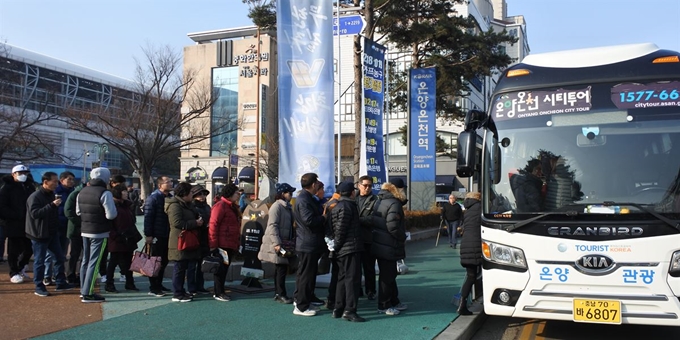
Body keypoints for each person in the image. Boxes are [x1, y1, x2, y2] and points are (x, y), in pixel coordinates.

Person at [26, 171, 74, 296]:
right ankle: (39, 285)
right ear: (45, 182)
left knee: (59, 257)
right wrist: (52, 205)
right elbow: (35, 214)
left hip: (52, 232)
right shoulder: (35, 196)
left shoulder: (51, 194)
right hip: (39, 234)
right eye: (54, 181)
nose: (56, 183)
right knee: (39, 261)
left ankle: (60, 281)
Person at [77, 167, 117, 303]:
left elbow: (78, 212)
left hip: (84, 230)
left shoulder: (81, 191)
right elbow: (111, 215)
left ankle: (83, 290)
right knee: (94, 262)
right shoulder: (105, 193)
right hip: (99, 232)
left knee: (85, 261)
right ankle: (88, 293)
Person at [291, 173, 327, 317]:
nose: (318, 184)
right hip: (307, 243)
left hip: (310, 243)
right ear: (313, 184)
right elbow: (309, 221)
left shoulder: (307, 198)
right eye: (317, 182)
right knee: (305, 275)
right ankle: (301, 306)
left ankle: (306, 299)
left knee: (308, 274)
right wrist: (323, 217)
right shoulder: (303, 199)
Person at [330, 181, 365, 322]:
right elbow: (340, 229)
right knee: (352, 280)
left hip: (343, 248)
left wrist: (335, 247)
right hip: (350, 248)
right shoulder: (347, 206)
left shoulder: (337, 206)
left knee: (342, 278)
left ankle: (338, 308)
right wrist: (336, 246)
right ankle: (349, 310)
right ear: (351, 193)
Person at [372, 182, 408, 316]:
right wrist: (402, 236)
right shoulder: (394, 203)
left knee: (388, 275)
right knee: (387, 276)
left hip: (379, 243)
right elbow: (392, 226)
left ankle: (393, 301)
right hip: (389, 244)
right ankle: (384, 304)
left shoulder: (379, 201)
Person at [258, 182, 296, 304]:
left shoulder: (287, 207)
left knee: (281, 268)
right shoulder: (277, 206)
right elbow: (272, 225)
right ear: (283, 194)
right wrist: (276, 243)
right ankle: (280, 293)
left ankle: (279, 293)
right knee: (281, 268)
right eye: (289, 192)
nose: (291, 195)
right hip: (279, 242)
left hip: (284, 241)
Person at [165, 182, 203, 302]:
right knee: (179, 267)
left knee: (184, 267)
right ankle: (177, 293)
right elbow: (176, 222)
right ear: (184, 193)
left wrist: (198, 219)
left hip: (188, 240)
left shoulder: (187, 204)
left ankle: (181, 291)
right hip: (179, 240)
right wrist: (194, 223)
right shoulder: (174, 205)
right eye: (191, 192)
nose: (193, 195)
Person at [0, 164, 36, 284]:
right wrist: (15, 215)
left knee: (29, 249)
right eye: (20, 173)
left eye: (25, 173)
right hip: (12, 223)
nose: (23, 176)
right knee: (13, 250)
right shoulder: (6, 188)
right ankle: (13, 272)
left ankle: (21, 267)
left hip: (28, 223)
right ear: (13, 174)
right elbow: (2, 206)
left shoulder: (29, 187)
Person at [209, 183, 241, 302]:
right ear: (230, 194)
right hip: (222, 243)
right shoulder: (220, 206)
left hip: (229, 241)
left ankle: (220, 290)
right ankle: (218, 292)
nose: (238, 195)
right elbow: (213, 225)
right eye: (236, 193)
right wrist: (214, 244)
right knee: (220, 269)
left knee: (224, 268)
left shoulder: (231, 206)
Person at [105, 184, 140, 293]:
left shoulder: (126, 205)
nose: (126, 193)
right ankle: (109, 284)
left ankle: (130, 283)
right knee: (113, 262)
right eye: (124, 191)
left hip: (128, 237)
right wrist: (115, 235)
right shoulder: (113, 205)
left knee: (128, 261)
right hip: (117, 238)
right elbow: (109, 223)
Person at [43, 171, 75, 286]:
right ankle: (47, 275)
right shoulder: (56, 192)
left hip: (66, 226)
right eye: (69, 179)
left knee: (62, 252)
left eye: (72, 179)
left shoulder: (73, 191)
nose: (71, 181)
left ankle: (58, 275)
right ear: (62, 180)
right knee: (50, 253)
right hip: (56, 226)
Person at [144, 176, 174, 297]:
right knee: (155, 261)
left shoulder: (170, 198)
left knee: (164, 261)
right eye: (168, 182)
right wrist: (149, 234)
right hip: (157, 234)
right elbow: (148, 217)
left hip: (167, 234)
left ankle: (159, 284)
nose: (171, 183)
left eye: (171, 181)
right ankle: (153, 287)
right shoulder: (154, 198)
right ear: (160, 185)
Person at [457, 192, 482, 315]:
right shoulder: (480, 208)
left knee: (471, 275)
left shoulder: (468, 210)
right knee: (473, 276)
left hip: (466, 245)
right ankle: (463, 306)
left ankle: (462, 304)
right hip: (476, 245)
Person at [356, 175, 378, 300]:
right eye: (365, 185)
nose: (368, 188)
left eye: (370, 185)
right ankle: (357, 289)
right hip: (355, 239)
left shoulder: (375, 200)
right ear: (359, 185)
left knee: (369, 267)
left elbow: (373, 218)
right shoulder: (353, 198)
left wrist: (357, 220)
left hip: (369, 238)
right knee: (356, 268)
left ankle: (371, 290)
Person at [188, 184, 211, 295]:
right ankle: (192, 288)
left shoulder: (207, 207)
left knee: (202, 264)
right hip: (195, 238)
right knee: (192, 265)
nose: (202, 196)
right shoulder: (191, 207)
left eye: (203, 194)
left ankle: (200, 286)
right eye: (199, 194)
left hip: (205, 238)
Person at [64, 182, 85, 286]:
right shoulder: (75, 193)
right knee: (74, 254)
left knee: (84, 254)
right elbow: (68, 211)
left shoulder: (84, 192)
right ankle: (70, 275)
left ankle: (81, 275)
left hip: (85, 229)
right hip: (75, 230)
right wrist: (80, 222)